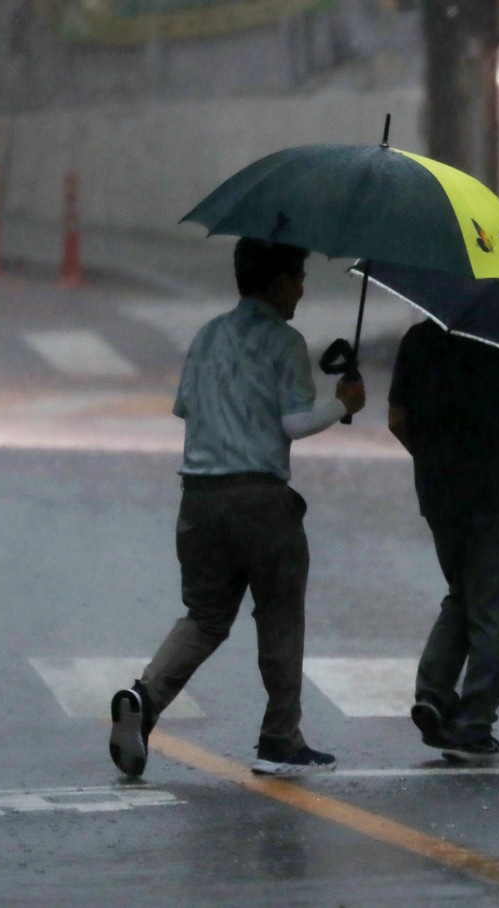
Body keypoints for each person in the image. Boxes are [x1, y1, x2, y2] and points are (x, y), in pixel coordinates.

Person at [108, 238, 366, 778]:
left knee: (204, 616)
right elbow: (294, 423)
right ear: (275, 282)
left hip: (199, 499)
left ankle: (144, 698)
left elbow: (187, 409)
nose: (301, 288)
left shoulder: (205, 337)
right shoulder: (285, 342)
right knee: (279, 613)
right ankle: (280, 737)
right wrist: (343, 402)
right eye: (297, 276)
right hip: (261, 499)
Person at [388, 318, 499, 764]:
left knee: (462, 595)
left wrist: (434, 460)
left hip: (438, 493)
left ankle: (433, 696)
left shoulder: (418, 338)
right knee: (495, 611)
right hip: (496, 493)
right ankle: (473, 724)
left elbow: (397, 420)